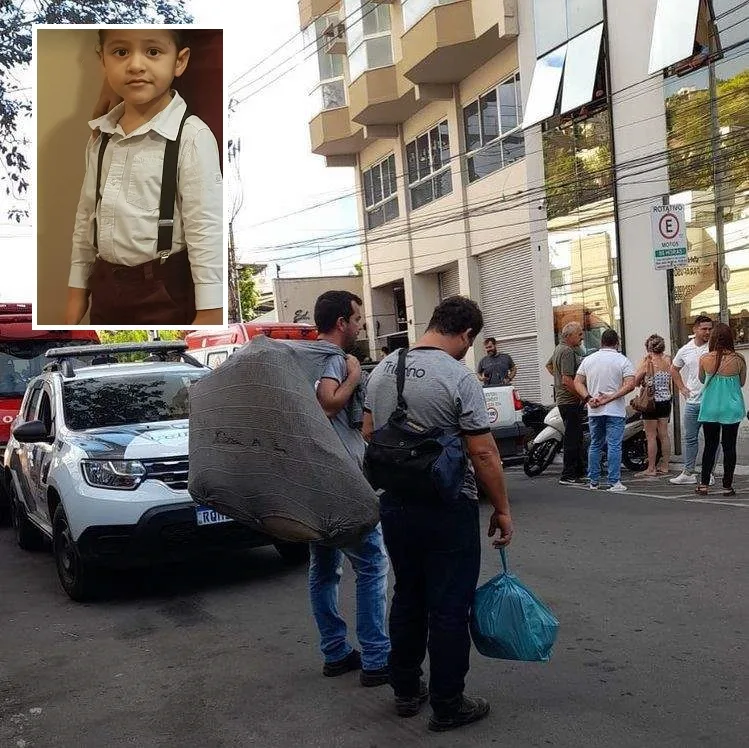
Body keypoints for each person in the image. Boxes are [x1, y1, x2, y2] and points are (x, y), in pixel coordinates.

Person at [363, 296, 513, 732]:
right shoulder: (458, 376)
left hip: (396, 503)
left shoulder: (383, 369)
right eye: (471, 341)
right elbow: (483, 452)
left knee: (408, 594)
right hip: (447, 505)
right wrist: (502, 509)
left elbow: (370, 433)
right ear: (466, 334)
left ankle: (407, 689)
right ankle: (449, 703)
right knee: (448, 606)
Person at [65, 28, 222, 326]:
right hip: (104, 288)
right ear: (103, 62)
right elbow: (87, 214)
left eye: (152, 52)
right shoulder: (103, 136)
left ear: (180, 61)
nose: (136, 65)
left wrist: (211, 310)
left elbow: (206, 228)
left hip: (163, 292)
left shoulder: (192, 136)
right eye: (121, 53)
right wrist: (76, 291)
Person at [310, 291, 391, 688]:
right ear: (341, 322)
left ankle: (335, 651)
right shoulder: (333, 359)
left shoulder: (301, 357)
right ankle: (377, 658)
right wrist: (355, 373)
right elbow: (328, 403)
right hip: (340, 478)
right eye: (357, 318)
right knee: (372, 564)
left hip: (312, 478)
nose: (361, 325)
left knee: (324, 568)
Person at [574, 329, 636, 492]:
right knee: (614, 445)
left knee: (595, 444)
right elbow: (630, 384)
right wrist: (611, 397)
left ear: (601, 342)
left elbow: (577, 382)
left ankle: (593, 481)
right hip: (615, 410)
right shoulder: (623, 361)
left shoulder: (588, 360)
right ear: (617, 343)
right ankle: (614, 481)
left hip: (594, 409)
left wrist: (588, 398)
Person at [696, 323, 746, 497]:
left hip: (710, 407)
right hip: (732, 408)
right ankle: (727, 486)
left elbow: (702, 379)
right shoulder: (739, 359)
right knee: (729, 447)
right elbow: (741, 382)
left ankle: (703, 484)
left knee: (710, 445)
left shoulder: (704, 359)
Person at [670, 315, 714, 485]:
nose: (707, 332)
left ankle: (708, 473)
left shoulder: (714, 347)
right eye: (704, 329)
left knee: (711, 439)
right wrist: (681, 387)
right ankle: (688, 472)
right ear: (695, 329)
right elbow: (674, 368)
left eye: (710, 329)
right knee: (690, 438)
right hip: (692, 401)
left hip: (710, 401)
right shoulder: (685, 350)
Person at [546, 322, 587, 486]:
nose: (581, 337)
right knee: (572, 436)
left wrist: (557, 379)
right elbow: (567, 380)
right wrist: (583, 396)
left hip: (564, 400)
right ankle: (568, 474)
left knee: (576, 436)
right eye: (579, 334)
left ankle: (578, 471)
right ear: (569, 336)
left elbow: (549, 365)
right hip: (569, 401)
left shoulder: (558, 349)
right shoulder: (568, 351)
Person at [634, 334, 673, 477]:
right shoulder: (668, 360)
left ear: (648, 348)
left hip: (650, 402)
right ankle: (665, 466)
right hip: (665, 400)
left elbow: (636, 381)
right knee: (664, 434)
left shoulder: (647, 362)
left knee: (651, 436)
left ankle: (651, 468)